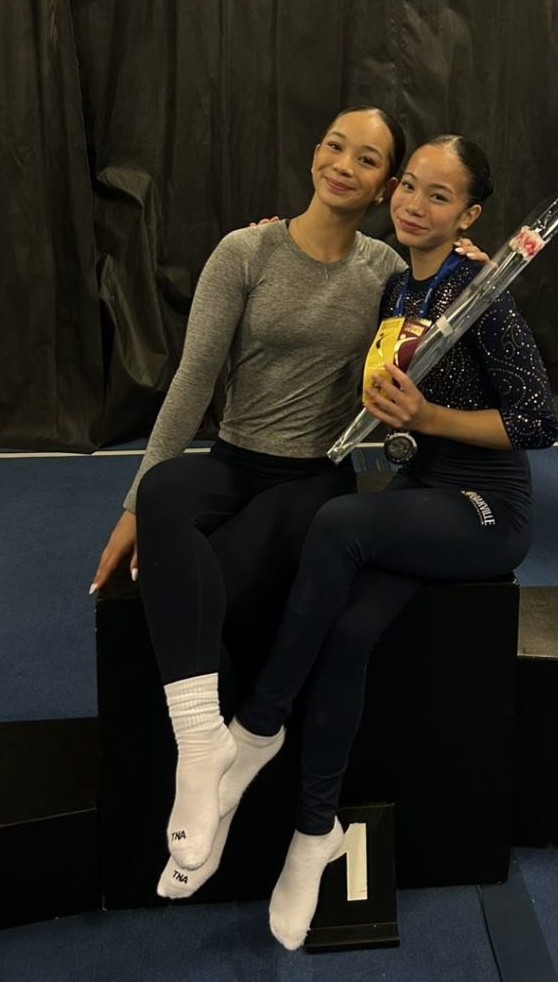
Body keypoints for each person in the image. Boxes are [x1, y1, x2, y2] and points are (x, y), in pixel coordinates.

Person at [185, 134, 558, 949]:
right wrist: (268, 242)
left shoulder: (482, 294)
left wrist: (428, 418)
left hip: (486, 509)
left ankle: (253, 731)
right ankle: (311, 833)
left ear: (469, 216)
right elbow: (327, 265)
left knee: (341, 522)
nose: (414, 204)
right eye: (409, 186)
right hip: (420, 495)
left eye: (439, 196)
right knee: (351, 630)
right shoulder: (396, 283)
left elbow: (539, 422)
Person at [90, 106, 412, 878]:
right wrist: (132, 508)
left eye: (366, 159)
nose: (343, 165)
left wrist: (465, 264)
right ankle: (204, 746)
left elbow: (437, 332)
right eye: (335, 146)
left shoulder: (388, 275)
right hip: (234, 459)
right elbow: (192, 382)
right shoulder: (245, 250)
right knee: (166, 491)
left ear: (383, 187)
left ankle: (216, 788)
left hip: (314, 478)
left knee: (201, 598)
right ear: (315, 154)